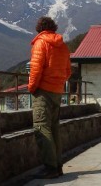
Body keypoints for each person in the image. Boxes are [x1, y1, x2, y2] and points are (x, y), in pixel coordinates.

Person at [28, 16, 72, 179]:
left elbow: (36, 68)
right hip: (57, 91)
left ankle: (50, 168)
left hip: (43, 90)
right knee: (54, 129)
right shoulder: (63, 45)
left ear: (39, 28)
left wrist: (32, 87)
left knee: (41, 127)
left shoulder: (41, 43)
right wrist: (58, 83)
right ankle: (58, 166)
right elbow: (68, 71)